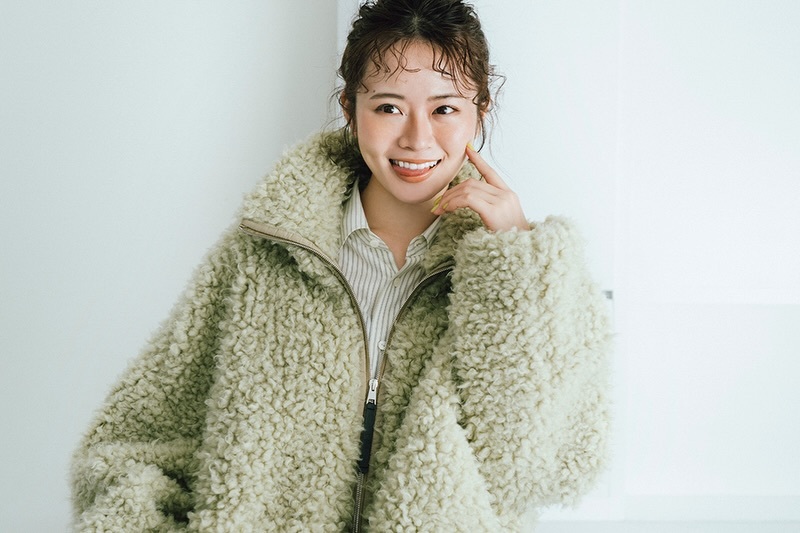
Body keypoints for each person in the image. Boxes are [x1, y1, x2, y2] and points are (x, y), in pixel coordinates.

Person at [71, 0, 611, 531]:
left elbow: (543, 469)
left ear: (480, 112)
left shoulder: (533, 278)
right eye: (388, 107)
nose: (417, 138)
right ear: (351, 109)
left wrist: (516, 266)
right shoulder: (266, 252)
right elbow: (132, 441)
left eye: (444, 109)